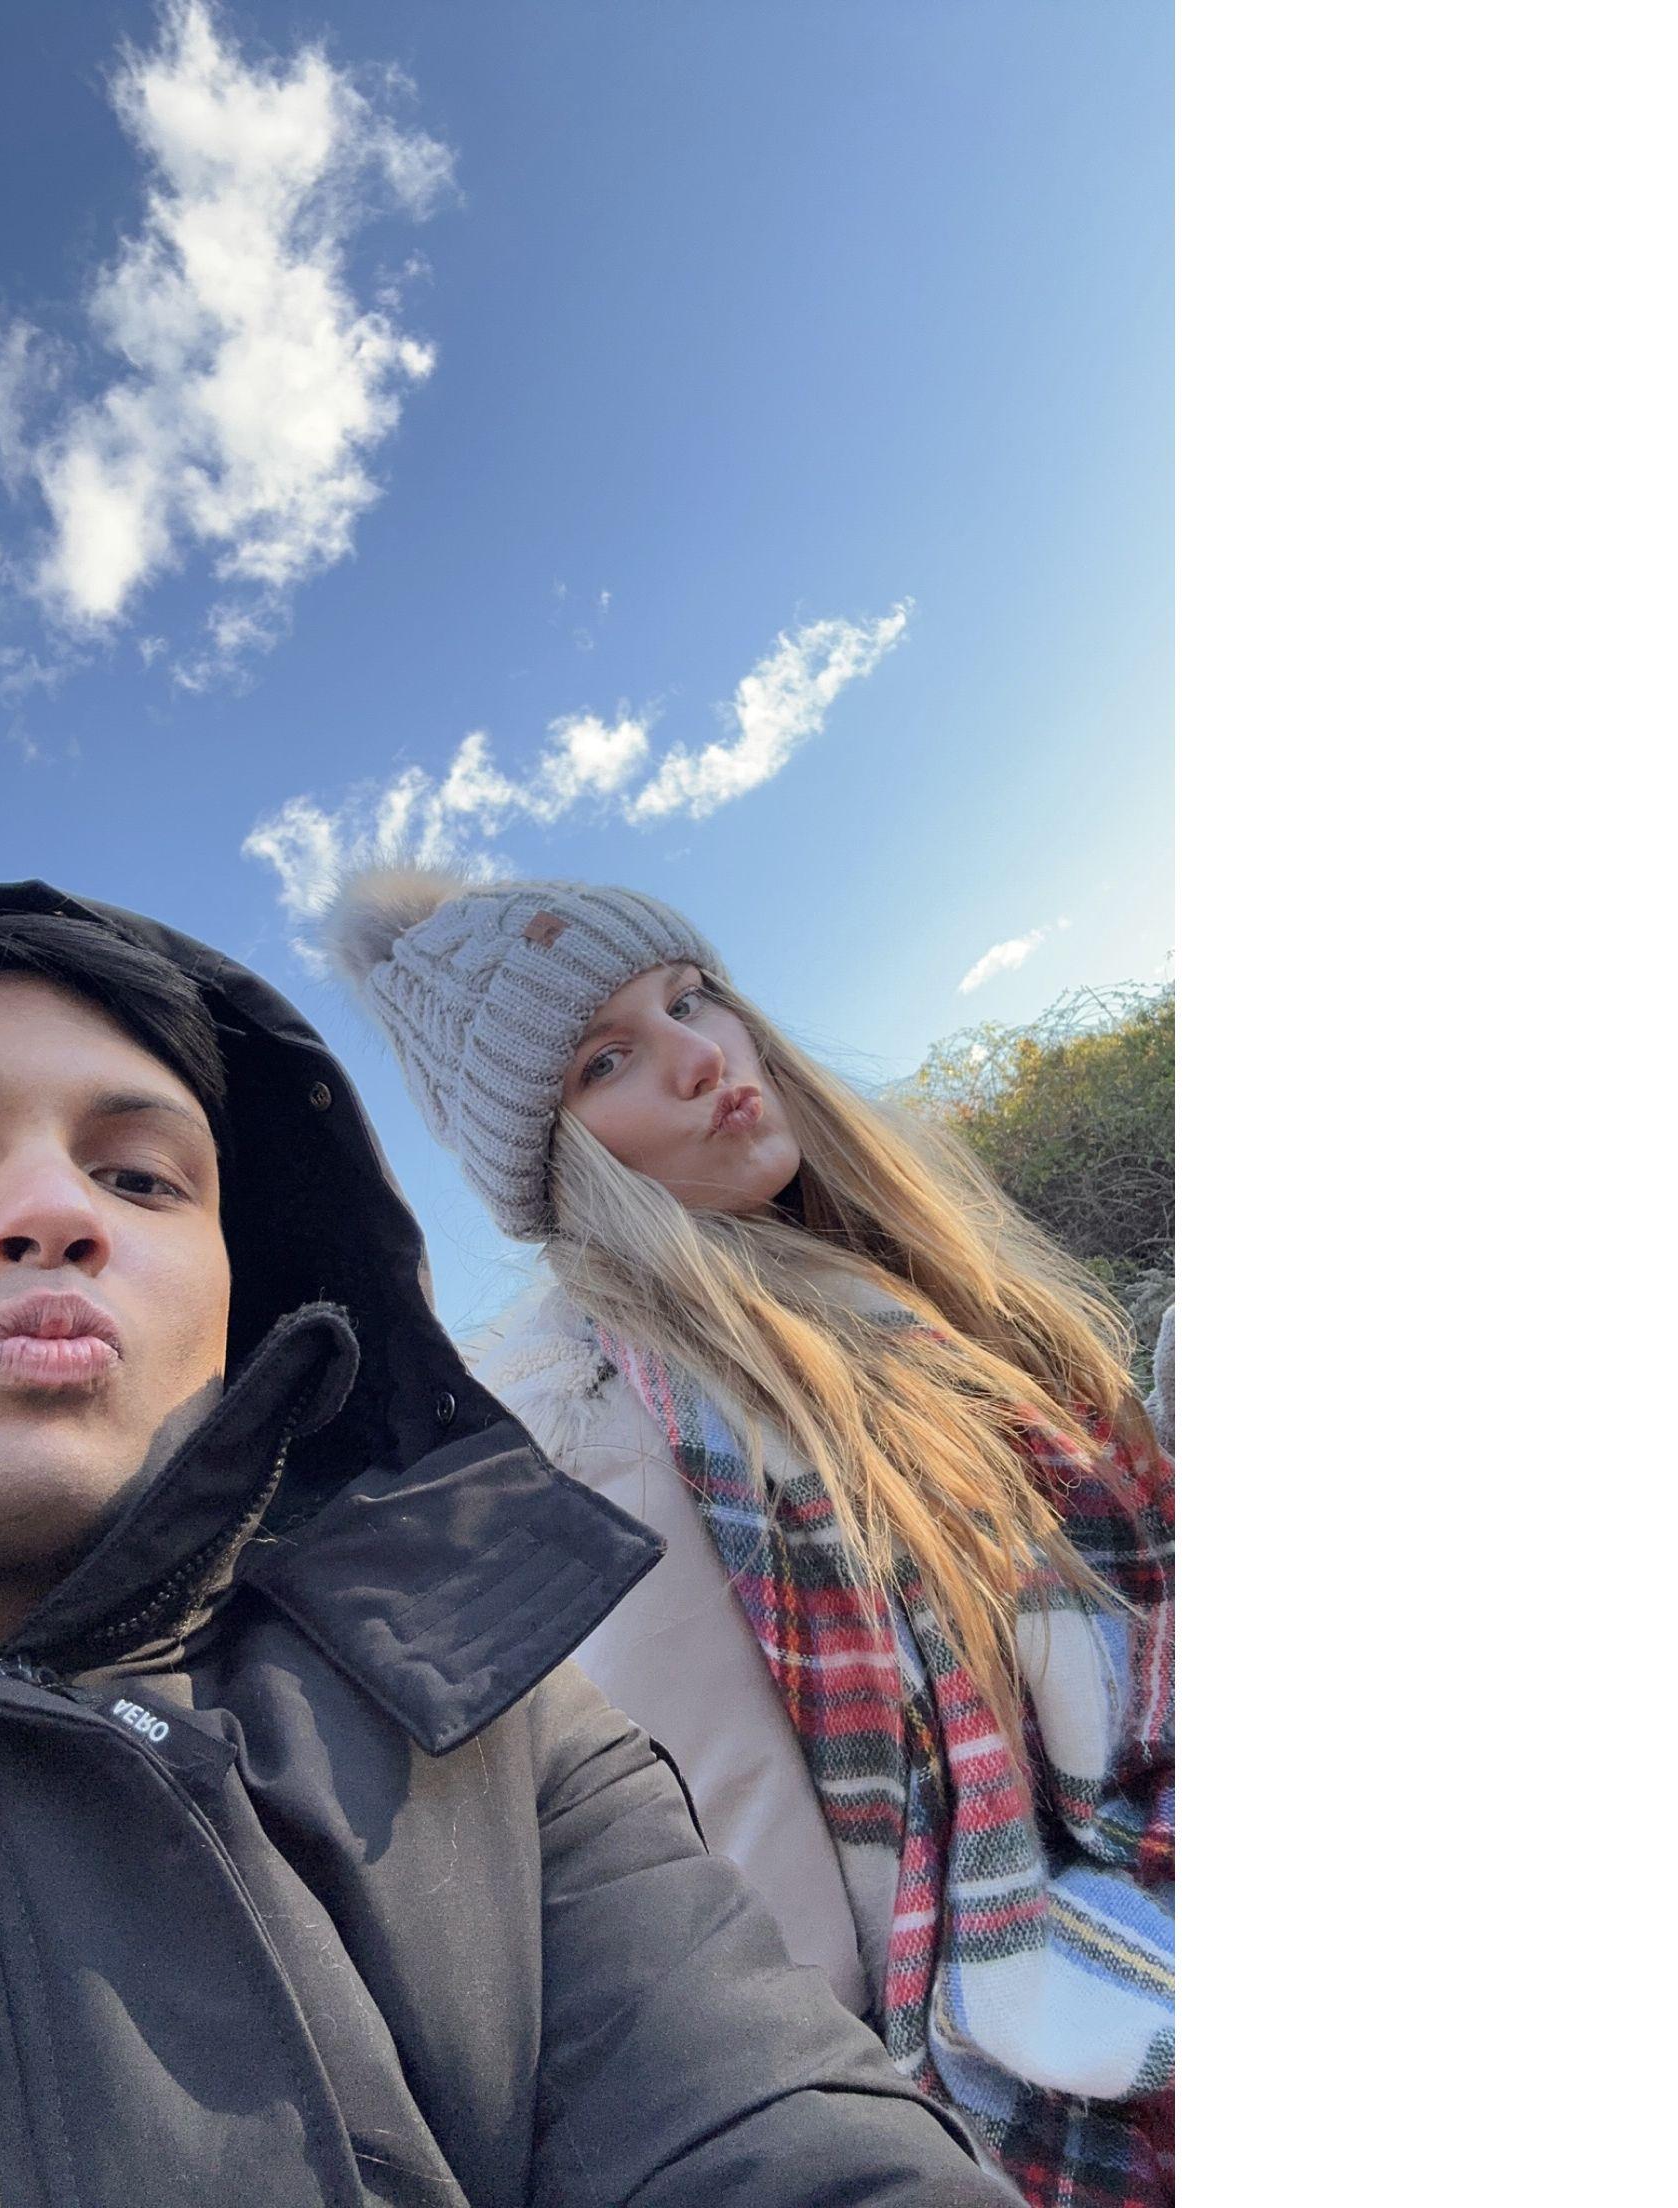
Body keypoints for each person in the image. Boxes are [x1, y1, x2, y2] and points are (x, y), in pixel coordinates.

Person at [0, 879, 1024, 2208]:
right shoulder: (577, 1441)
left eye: (139, 1177)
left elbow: (738, 2074)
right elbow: (775, 1863)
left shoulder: (472, 1699)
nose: (53, 1209)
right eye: (604, 1060)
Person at [326, 867, 1176, 2208]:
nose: (699, 1058)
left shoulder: (884, 1280)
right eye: (606, 1060)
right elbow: (768, 1896)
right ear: (550, 1159)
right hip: (999, 2057)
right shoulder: (598, 1426)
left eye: (690, 999)